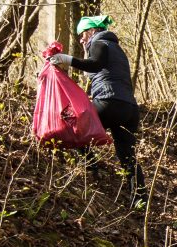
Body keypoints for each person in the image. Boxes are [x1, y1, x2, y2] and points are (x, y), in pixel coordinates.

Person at [49, 15, 146, 208]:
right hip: (129, 110)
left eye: (83, 35)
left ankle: (90, 165)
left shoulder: (99, 42)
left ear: (91, 31)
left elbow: (95, 64)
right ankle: (140, 200)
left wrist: (66, 59)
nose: (81, 40)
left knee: (74, 123)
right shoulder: (117, 50)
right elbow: (100, 71)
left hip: (110, 103)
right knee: (127, 156)